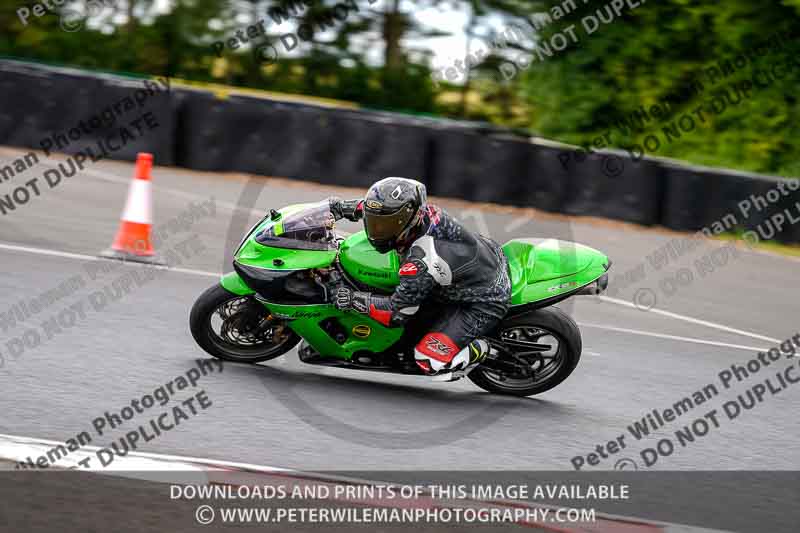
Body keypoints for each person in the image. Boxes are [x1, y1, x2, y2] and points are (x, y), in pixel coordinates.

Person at [328, 177, 511, 381]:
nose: (376, 229)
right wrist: (338, 208)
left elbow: (395, 314)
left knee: (429, 360)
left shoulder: (421, 262)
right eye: (375, 222)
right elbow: (378, 210)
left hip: (482, 300)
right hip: (478, 261)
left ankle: (484, 349)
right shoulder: (414, 214)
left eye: (385, 225)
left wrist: (352, 300)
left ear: (409, 219)